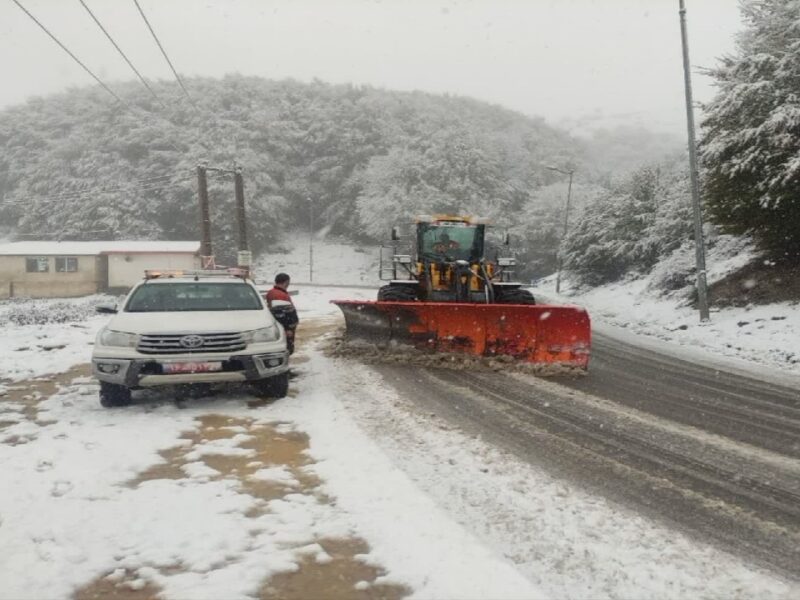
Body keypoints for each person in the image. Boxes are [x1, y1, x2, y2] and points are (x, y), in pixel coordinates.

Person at [265, 273, 298, 354]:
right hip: (285, 326)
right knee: (286, 348)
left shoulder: (272, 292)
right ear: (286, 282)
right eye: (288, 282)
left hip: (282, 325)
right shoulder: (279, 294)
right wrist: (287, 328)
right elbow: (280, 313)